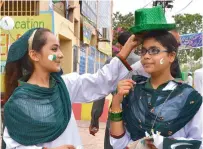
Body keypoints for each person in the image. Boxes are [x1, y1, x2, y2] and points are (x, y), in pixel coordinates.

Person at [2, 28, 140, 149]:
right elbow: (14, 145)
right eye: (54, 49)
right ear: (34, 55)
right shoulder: (19, 101)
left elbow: (100, 81)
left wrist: (127, 48)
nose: (61, 54)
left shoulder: (65, 86)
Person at [109, 6, 202, 149]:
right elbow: (119, 144)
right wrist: (116, 103)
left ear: (171, 56)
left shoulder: (189, 98)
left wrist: (159, 143)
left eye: (154, 51)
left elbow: (199, 142)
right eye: (143, 51)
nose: (146, 56)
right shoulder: (133, 92)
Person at [89, 32, 148, 149]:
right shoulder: (145, 62)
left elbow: (101, 92)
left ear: (120, 46)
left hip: (117, 110)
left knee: (113, 143)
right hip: (141, 114)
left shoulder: (112, 63)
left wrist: (94, 119)